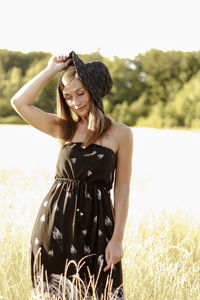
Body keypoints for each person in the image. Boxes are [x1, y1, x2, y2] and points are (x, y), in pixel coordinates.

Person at [11, 51, 133, 299]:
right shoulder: (63, 128)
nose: (75, 102)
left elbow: (122, 189)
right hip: (55, 224)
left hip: (99, 227)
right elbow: (19, 103)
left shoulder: (121, 134)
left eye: (80, 93)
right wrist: (51, 70)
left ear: (94, 91)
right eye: (68, 97)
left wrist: (118, 239)